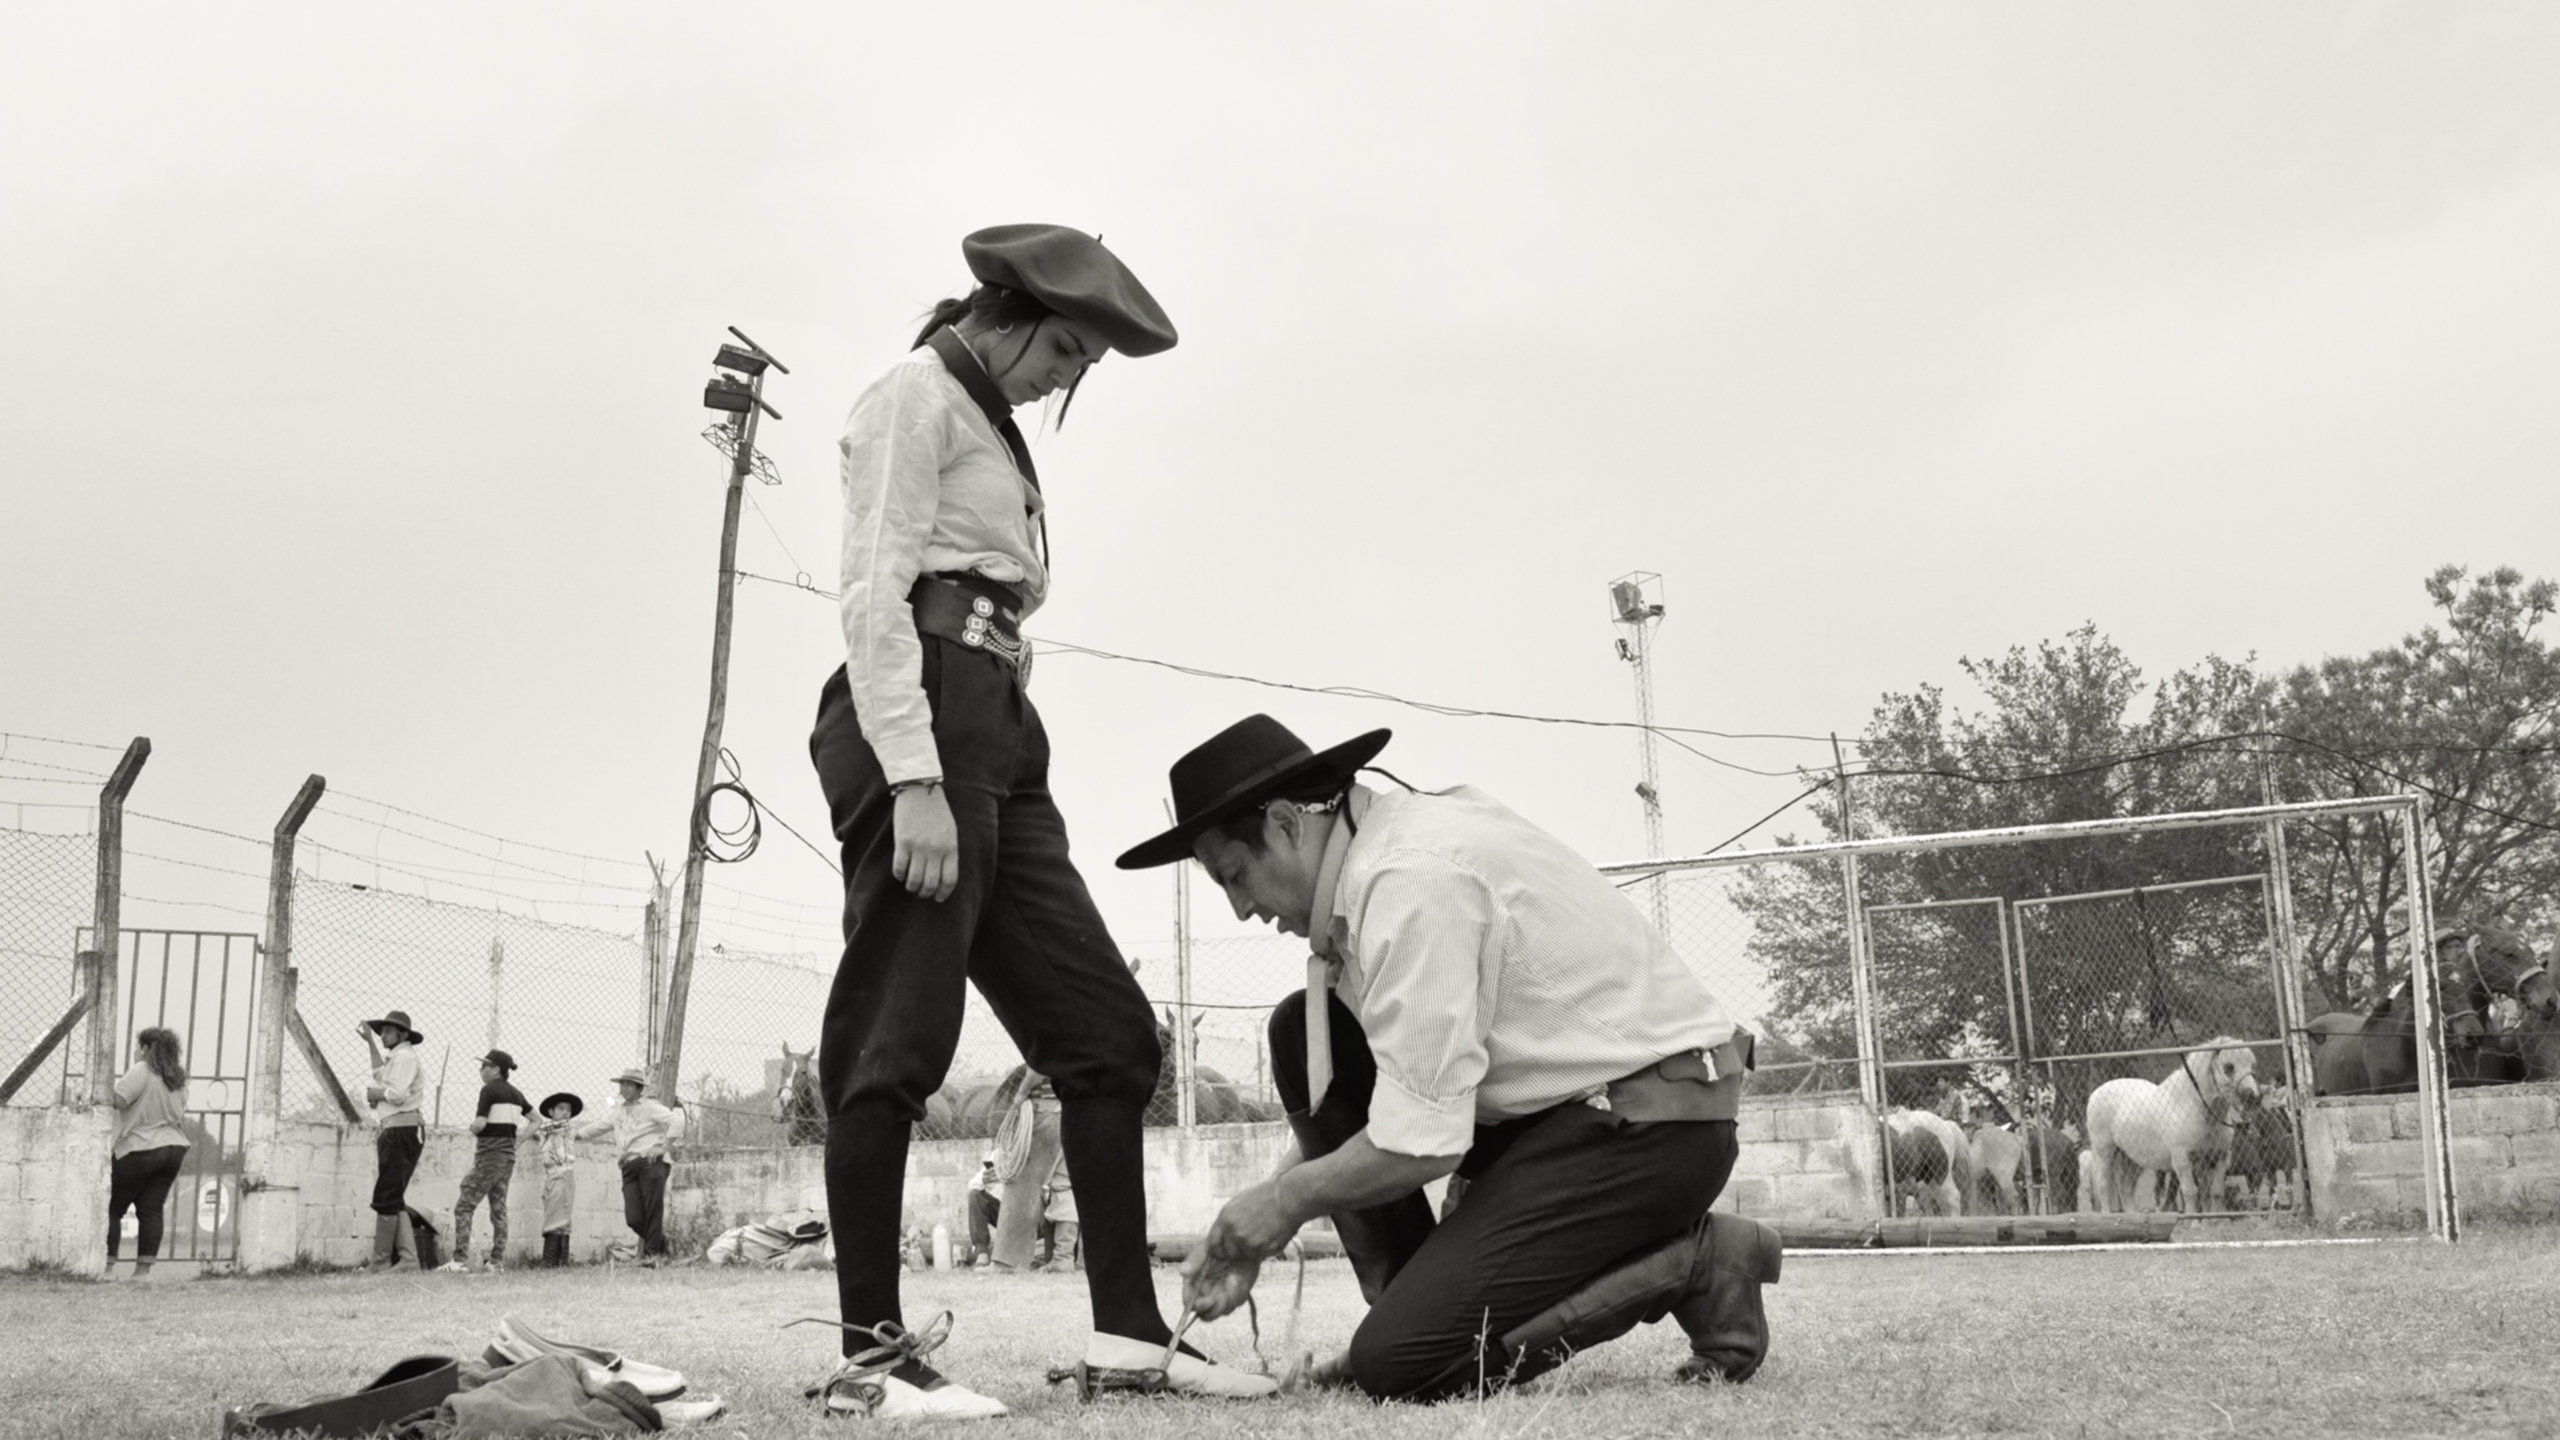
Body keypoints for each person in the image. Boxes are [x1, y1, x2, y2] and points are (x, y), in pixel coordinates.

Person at [803, 223, 1269, 1418]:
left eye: (1081, 368)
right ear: (1003, 313)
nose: (1063, 379)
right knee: (896, 1036)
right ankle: (870, 1361)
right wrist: (913, 777)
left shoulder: (988, 420)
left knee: (1107, 1040)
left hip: (999, 722)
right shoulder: (914, 393)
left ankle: (1129, 1341)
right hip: (923, 712)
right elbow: (871, 591)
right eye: (1062, 351)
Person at [1117, 716, 1785, 1403]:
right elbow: (1405, 1095)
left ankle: (1698, 1262)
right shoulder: (1387, 852)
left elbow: (1422, 1140)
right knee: (1303, 1029)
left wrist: (1282, 1203)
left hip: (1648, 1128)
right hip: (1562, 1117)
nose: (1239, 908)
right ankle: (1417, 1314)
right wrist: (1253, 1219)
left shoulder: (1411, 877)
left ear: (1287, 824)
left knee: (1400, 1367)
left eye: (1235, 875)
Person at [107, 1026, 192, 1277]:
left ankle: (107, 1267)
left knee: (112, 1208)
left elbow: (118, 1101)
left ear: (145, 1048)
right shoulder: (177, 1079)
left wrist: (97, 1093)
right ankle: (142, 1273)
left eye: (137, 1047)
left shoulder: (142, 1070)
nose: (135, 1051)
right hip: (173, 1148)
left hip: (140, 1146)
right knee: (151, 1209)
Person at [574, 1069, 678, 1266]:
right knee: (633, 1217)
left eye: (630, 1084)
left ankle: (652, 1256)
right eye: (623, 1084)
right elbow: (599, 1126)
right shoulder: (618, 1111)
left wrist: (663, 1148)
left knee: (652, 1210)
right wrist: (575, 1135)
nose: (625, 1088)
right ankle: (662, 1245)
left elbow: (676, 1121)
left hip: (650, 1162)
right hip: (629, 1164)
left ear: (639, 1089)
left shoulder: (650, 1107)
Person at [445, 1049, 532, 1272]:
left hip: (489, 1156)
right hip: (507, 1158)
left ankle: (459, 1261)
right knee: (499, 1210)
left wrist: (472, 1128)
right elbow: (536, 1119)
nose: (480, 1070)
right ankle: (496, 1262)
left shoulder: (489, 1090)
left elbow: (480, 1124)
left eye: (484, 1066)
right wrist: (520, 1140)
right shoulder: (516, 1094)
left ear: (495, 1070)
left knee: (464, 1206)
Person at [355, 1009, 427, 1270]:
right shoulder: (398, 1057)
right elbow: (379, 1073)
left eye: (387, 1031)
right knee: (393, 1195)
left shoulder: (405, 1058)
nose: (383, 1035)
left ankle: (381, 1261)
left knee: (387, 1195)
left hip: (400, 1129)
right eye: (381, 1031)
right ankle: (408, 1259)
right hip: (398, 1128)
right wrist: (370, 1042)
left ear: (402, 1034)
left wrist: (378, 1094)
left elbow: (397, 1094)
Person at [533, 1090, 583, 1267]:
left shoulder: (564, 1127)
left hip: (562, 1172)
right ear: (551, 1111)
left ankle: (551, 1260)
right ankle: (559, 1260)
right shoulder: (550, 1130)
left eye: (568, 1110)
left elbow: (539, 1128)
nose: (565, 1113)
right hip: (554, 1173)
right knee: (559, 1214)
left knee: (557, 1215)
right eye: (561, 1109)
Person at [964, 1156, 1000, 1266]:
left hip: (1028, 1212)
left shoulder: (1036, 1152)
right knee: (975, 1195)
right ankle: (982, 1252)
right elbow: (972, 1185)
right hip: (1005, 1212)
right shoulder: (999, 1154)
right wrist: (985, 1179)